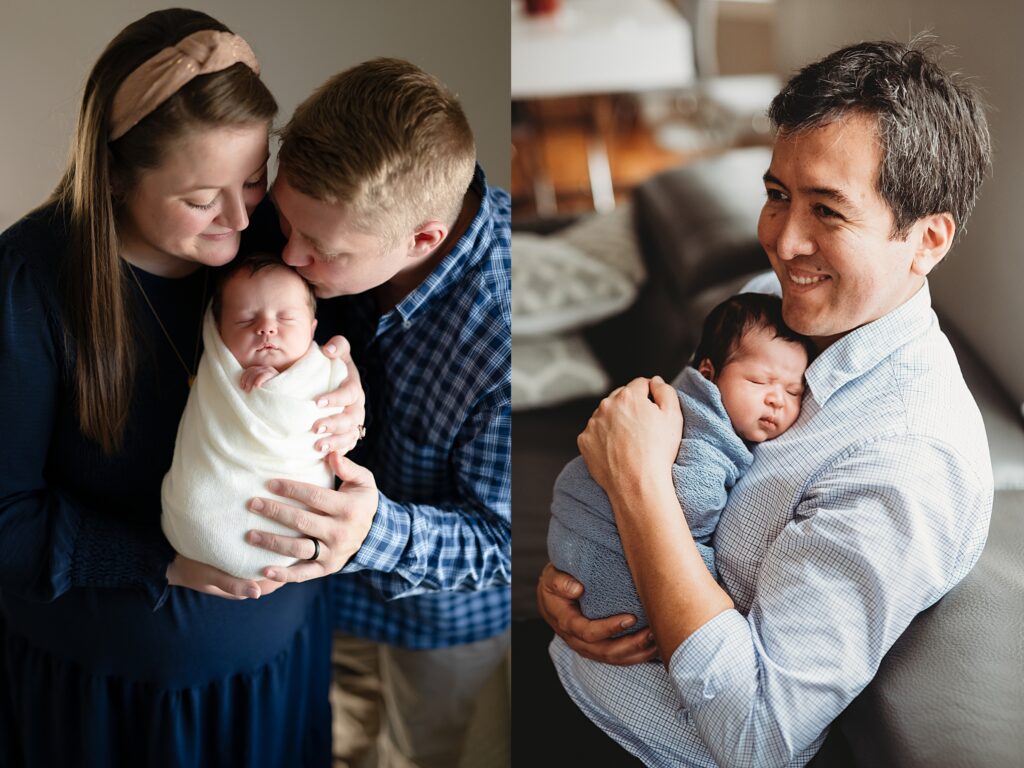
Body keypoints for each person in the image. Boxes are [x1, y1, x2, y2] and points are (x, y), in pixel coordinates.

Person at [537, 38, 994, 766]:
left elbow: (759, 737)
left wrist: (636, 490)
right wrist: (577, 566)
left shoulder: (905, 461)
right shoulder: (770, 304)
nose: (783, 241)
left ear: (927, 239)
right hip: (575, 662)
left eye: (828, 211)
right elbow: (671, 437)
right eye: (778, 195)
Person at [0, 10, 361, 766]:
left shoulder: (278, 243)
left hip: (277, 671)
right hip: (111, 700)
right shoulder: (28, 286)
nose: (239, 217)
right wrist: (155, 563)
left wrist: (344, 397)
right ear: (114, 174)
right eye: (201, 199)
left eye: (253, 178)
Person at [241, 58, 511, 767]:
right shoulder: (319, 227)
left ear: (423, 240)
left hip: (438, 618)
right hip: (314, 594)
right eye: (285, 221)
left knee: (417, 754)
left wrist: (374, 532)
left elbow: (504, 542)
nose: (289, 255)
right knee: (332, 742)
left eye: (322, 250)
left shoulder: (503, 340)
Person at [548, 293, 814, 632]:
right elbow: (690, 504)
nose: (777, 399)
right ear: (709, 374)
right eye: (758, 381)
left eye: (793, 392)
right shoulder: (702, 430)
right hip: (593, 529)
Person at [161, 253, 350, 581]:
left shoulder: (324, 373)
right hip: (202, 517)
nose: (266, 328)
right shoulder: (217, 371)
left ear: (312, 329)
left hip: (295, 528)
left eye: (286, 318)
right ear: (218, 332)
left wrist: (280, 385)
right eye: (245, 320)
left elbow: (323, 412)